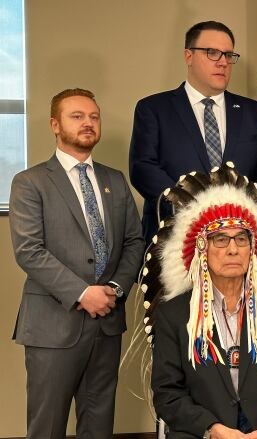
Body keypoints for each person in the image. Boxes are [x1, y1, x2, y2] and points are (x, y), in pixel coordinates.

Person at [142, 163, 257, 438]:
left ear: (253, 249)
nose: (233, 249)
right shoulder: (175, 315)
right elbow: (168, 395)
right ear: (201, 250)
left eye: (241, 239)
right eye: (220, 239)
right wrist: (214, 429)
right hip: (205, 431)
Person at [9, 88, 145, 437]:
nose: (88, 123)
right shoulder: (30, 182)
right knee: (47, 426)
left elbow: (134, 242)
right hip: (53, 326)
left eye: (94, 117)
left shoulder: (115, 180)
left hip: (107, 322)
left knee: (99, 426)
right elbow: (29, 250)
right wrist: (83, 293)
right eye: (77, 116)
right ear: (55, 124)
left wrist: (115, 289)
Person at [129, 20, 257, 244]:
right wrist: (194, 206)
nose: (223, 62)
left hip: (240, 240)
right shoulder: (153, 109)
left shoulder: (254, 113)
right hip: (175, 241)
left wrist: (245, 207)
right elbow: (143, 167)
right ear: (188, 56)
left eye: (228, 55)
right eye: (212, 53)